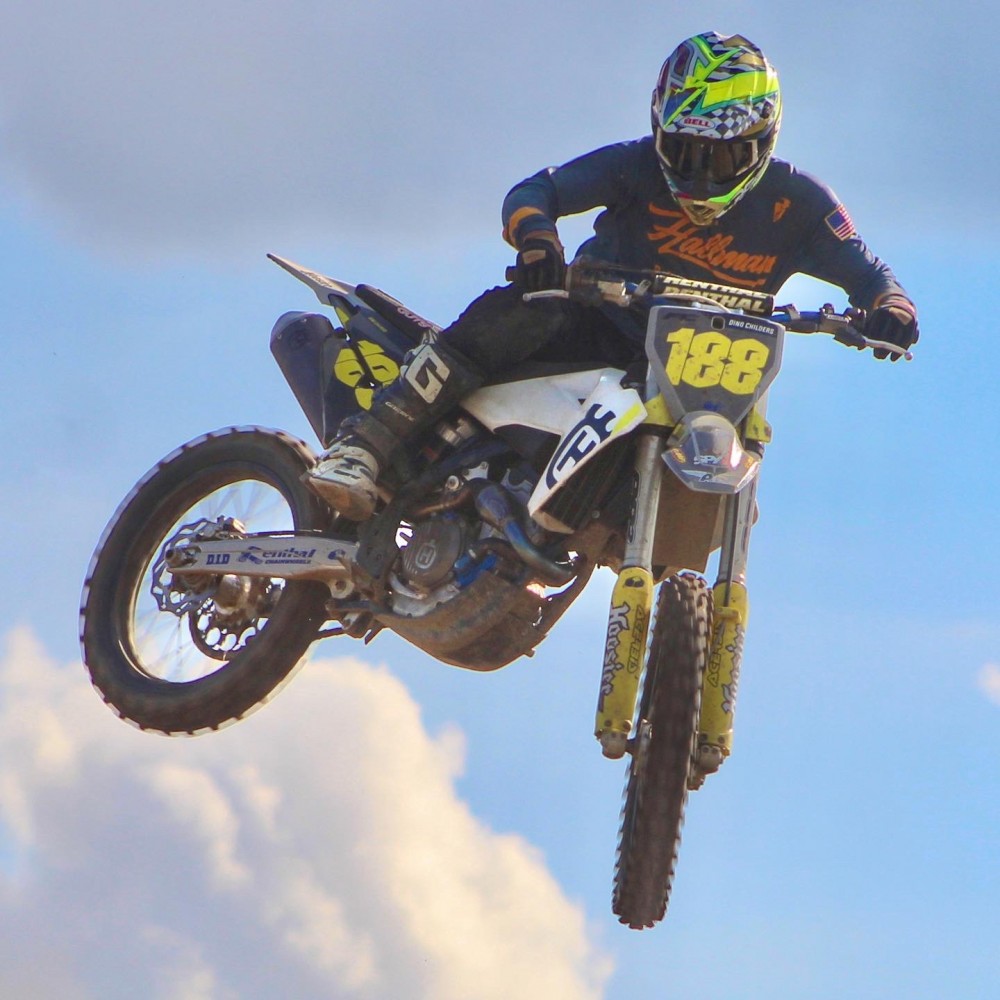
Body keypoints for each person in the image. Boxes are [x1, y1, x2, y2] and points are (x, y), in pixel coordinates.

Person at [307, 30, 919, 520]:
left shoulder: (802, 203)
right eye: (685, 152)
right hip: (593, 326)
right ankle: (364, 444)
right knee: (531, 304)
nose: (701, 175)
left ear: (762, 143)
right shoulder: (634, 165)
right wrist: (539, 241)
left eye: (723, 157)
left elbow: (872, 275)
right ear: (659, 129)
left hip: (698, 371)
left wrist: (892, 309)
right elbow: (535, 191)